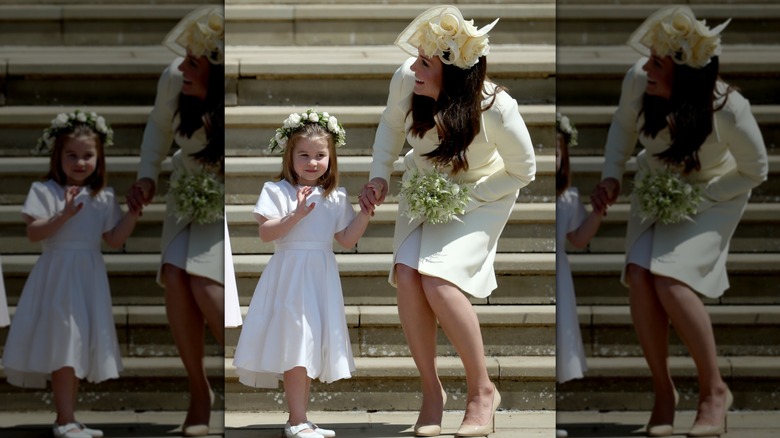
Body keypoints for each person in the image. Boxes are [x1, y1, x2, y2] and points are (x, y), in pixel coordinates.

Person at [358, 6, 536, 437]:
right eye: (417, 57)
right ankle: (431, 392)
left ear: (453, 72)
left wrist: (468, 197)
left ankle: (482, 391)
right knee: (406, 273)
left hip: (481, 196)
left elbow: (523, 170)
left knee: (437, 279)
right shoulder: (407, 79)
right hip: (424, 186)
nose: (414, 67)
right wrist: (379, 175)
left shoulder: (496, 107)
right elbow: (389, 125)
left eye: (426, 62)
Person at [590, 6, 768, 437]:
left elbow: (756, 169)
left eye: (658, 63)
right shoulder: (639, 80)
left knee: (670, 280)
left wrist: (703, 196)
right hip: (656, 186)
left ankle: (713, 391)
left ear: (685, 74)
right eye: (649, 57)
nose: (646, 67)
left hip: (712, 197)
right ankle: (663, 392)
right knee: (639, 273)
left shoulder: (729, 108)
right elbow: (621, 126)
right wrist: (612, 175)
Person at [232, 110, 376, 438]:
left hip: (320, 276)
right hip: (290, 275)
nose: (312, 162)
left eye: (320, 155)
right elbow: (267, 233)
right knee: (297, 341)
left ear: (331, 157)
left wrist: (365, 213)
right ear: (290, 155)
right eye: (305, 155)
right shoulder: (277, 190)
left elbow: (347, 238)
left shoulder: (335, 196)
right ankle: (296, 420)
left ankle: (300, 418)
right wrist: (296, 214)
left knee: (309, 343)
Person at [1, 110, 142, 438]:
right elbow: (34, 233)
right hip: (58, 276)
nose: (80, 162)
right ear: (58, 155)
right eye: (72, 155)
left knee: (77, 343)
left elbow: (114, 238)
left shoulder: (103, 196)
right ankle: (64, 420)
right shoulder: (45, 190)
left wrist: (133, 212)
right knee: (65, 341)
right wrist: (63, 214)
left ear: (99, 157)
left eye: (88, 156)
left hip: (88, 276)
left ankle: (69, 417)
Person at [125, 5, 225, 436]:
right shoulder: (174, 79)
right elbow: (158, 128)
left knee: (205, 282)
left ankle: (246, 378)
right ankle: (199, 391)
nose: (182, 67)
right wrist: (147, 177)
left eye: (194, 62)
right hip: (186, 188)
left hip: (222, 193)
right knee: (174, 274)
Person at [554, 113, 607, 438]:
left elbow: (578, 238)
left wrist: (598, 211)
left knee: (559, 339)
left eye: (557, 150)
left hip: (559, 277)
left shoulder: (568, 197)